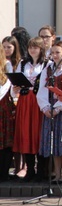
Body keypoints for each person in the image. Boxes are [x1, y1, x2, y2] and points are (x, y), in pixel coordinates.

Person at [36, 40, 62, 182]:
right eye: (52, 52)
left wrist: (58, 107)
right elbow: (42, 89)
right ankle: (57, 174)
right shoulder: (49, 67)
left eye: (57, 52)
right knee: (54, 143)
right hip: (50, 107)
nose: (55, 55)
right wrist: (45, 107)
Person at [12, 36, 47, 182]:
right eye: (31, 47)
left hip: (39, 101)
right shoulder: (23, 63)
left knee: (37, 134)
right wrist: (17, 86)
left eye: (36, 47)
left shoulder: (47, 64)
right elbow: (17, 83)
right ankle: (29, 170)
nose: (32, 50)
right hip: (25, 101)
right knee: (26, 133)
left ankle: (42, 172)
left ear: (41, 49)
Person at [0, 42, 15, 181]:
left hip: (3, 105)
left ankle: (4, 172)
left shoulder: (7, 64)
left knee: (5, 141)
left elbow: (6, 86)